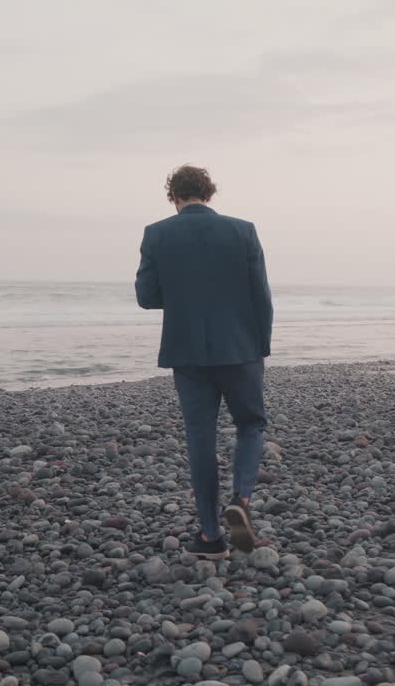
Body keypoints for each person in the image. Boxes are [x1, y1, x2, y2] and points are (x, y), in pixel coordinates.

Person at [134, 164, 274, 559]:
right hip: (241, 347)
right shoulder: (242, 230)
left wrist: (182, 292)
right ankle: (241, 500)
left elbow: (147, 297)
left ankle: (211, 536)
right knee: (250, 423)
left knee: (201, 437)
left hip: (186, 350)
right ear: (209, 194)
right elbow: (260, 294)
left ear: (173, 196)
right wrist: (260, 344)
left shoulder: (156, 234)